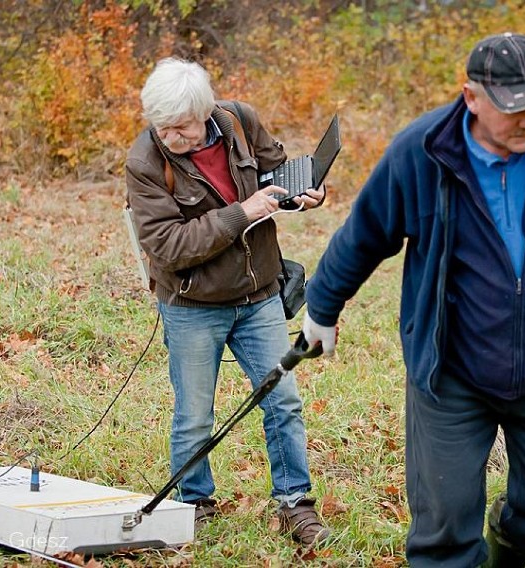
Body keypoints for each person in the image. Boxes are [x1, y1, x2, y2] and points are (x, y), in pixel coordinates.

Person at [302, 32, 525, 567]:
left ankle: (507, 546)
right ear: (471, 98)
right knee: (445, 527)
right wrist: (322, 310)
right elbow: (364, 234)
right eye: (515, 108)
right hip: (451, 372)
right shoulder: (422, 153)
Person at [124, 57, 331, 546]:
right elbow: (168, 248)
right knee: (195, 414)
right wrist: (242, 213)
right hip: (192, 305)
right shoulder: (144, 163)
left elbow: (276, 167)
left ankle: (294, 505)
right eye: (163, 127)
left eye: (182, 127)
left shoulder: (238, 120)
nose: (172, 137)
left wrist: (303, 190)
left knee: (283, 401)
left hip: (258, 295)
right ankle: (193, 506)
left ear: (206, 112)